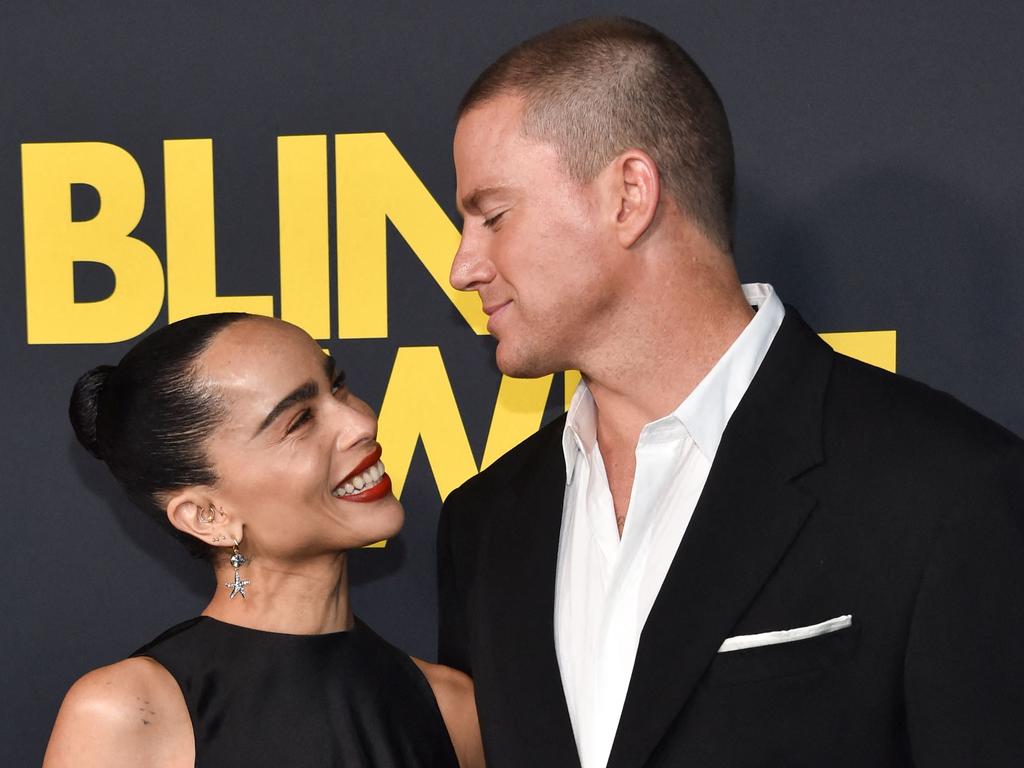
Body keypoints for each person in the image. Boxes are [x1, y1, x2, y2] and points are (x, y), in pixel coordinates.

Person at [437, 16, 1024, 768]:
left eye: (493, 215)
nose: (463, 265)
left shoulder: (942, 492)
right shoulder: (485, 527)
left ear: (629, 196)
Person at [44, 313, 484, 768]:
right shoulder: (127, 716)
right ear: (208, 515)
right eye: (299, 422)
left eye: (338, 387)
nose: (360, 423)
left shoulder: (454, 709)